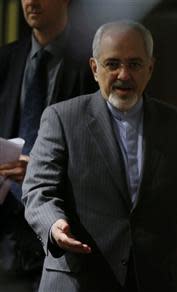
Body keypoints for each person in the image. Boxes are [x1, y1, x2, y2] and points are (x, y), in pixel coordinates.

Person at [21, 20, 177, 291]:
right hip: (78, 279)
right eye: (112, 64)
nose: (124, 74)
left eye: (134, 64)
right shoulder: (62, 118)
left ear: (151, 68)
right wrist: (54, 225)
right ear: (94, 68)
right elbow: (38, 188)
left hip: (155, 281)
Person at [0, 0, 97, 290]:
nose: (30, 1)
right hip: (6, 236)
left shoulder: (93, 63)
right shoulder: (5, 60)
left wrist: (38, 169)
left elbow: (103, 155)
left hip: (65, 234)